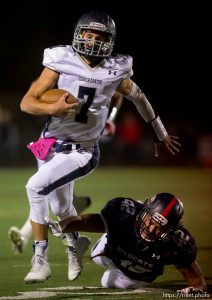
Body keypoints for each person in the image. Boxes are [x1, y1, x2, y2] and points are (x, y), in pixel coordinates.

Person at [20, 10, 181, 284]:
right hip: (48, 143)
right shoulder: (61, 59)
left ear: (110, 40)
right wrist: (53, 107)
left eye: (100, 36)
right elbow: (27, 103)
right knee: (61, 207)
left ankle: (41, 259)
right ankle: (76, 245)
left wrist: (159, 133)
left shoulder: (116, 68)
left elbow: (139, 98)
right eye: (89, 34)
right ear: (79, 34)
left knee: (35, 187)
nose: (93, 41)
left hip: (81, 150)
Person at [8, 91, 122, 254]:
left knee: (44, 193)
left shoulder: (97, 81)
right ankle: (71, 216)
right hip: (50, 144)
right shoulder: (64, 82)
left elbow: (118, 94)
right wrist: (52, 107)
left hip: (73, 151)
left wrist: (111, 118)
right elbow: (34, 100)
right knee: (42, 191)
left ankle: (37, 237)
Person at [46, 193, 208, 295]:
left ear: (171, 230)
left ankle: (113, 241)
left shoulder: (177, 242)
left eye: (159, 228)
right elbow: (89, 220)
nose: (150, 228)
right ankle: (109, 237)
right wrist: (62, 226)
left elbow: (196, 280)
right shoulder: (126, 213)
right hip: (112, 250)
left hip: (137, 274)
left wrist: (197, 290)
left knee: (107, 281)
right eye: (149, 220)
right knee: (97, 255)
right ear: (144, 212)